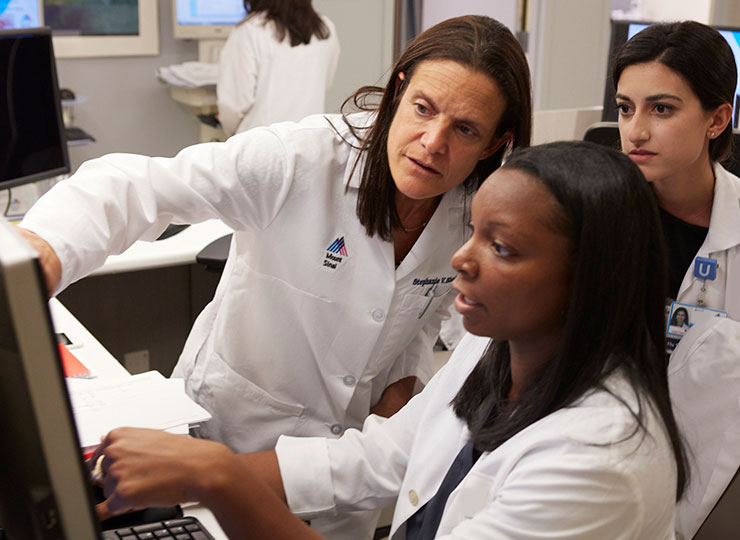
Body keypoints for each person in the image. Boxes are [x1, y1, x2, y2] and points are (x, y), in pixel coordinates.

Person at [18, 15, 532, 539]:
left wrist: (409, 380)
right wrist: (43, 254)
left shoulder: (473, 213)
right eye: (423, 108)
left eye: (465, 128)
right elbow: (137, 188)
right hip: (230, 444)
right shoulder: (303, 157)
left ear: (494, 144)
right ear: (399, 91)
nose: (433, 142)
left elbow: (423, 313)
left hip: (346, 473)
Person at [90, 141, 688, 539]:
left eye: (500, 247)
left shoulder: (599, 458)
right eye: (473, 231)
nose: (460, 257)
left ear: (589, 276)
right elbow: (378, 458)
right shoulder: (495, 351)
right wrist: (195, 471)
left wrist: (216, 479)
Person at [612, 21, 740, 539]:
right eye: (625, 108)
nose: (635, 131)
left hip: (702, 485)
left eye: (661, 109)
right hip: (592, 460)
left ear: (717, 119)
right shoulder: (590, 217)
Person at [217, 0, 340, 137]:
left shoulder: (250, 30)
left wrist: (233, 137)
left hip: (260, 143)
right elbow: (325, 82)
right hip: (309, 141)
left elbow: (233, 105)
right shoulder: (325, 29)